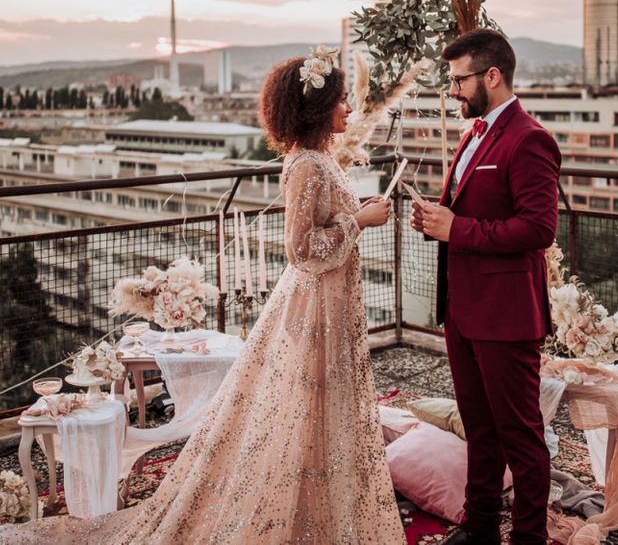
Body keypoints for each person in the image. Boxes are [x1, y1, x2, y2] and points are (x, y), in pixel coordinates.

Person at [2, 49, 406, 544]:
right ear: (318, 108)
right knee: (305, 402)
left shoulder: (322, 159)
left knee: (320, 403)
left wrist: (354, 214)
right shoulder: (305, 164)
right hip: (314, 303)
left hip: (331, 300)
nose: (349, 109)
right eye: (342, 100)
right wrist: (358, 221)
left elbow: (322, 231)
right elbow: (302, 250)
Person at [411, 29, 561, 545]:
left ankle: (528, 539)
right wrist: (436, 217)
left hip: (506, 314)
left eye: (459, 80)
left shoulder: (530, 138)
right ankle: (479, 530)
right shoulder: (476, 133)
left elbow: (539, 228)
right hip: (464, 310)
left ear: (491, 76)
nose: (453, 90)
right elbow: (473, 209)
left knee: (521, 436)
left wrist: (458, 229)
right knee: (479, 429)